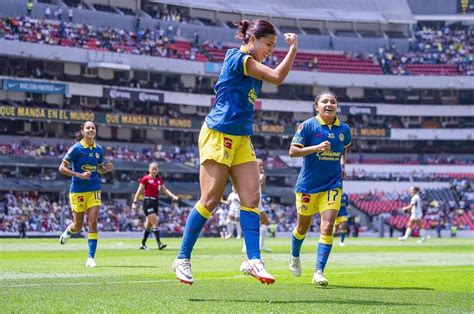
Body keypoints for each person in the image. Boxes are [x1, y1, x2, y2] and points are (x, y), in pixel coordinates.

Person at [172, 19, 297, 285]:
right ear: (251, 40)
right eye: (268, 45)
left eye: (274, 46)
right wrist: (292, 50)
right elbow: (277, 76)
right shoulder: (239, 58)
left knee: (252, 198)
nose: (270, 50)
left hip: (241, 137)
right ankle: (182, 258)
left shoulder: (252, 63)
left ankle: (253, 260)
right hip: (218, 133)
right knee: (210, 199)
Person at [288, 91, 351, 287]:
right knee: (302, 227)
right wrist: (315, 148)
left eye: (333, 101)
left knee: (327, 226)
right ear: (317, 106)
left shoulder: (345, 129)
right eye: (325, 101)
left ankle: (318, 271)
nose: (329, 104)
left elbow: (344, 148)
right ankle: (294, 255)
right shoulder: (307, 126)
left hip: (332, 184)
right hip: (308, 185)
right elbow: (292, 152)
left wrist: (343, 166)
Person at [58, 121, 113, 267]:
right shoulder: (76, 149)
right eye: (88, 128)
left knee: (93, 221)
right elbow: (61, 168)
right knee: (78, 225)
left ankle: (90, 258)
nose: (91, 130)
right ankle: (70, 231)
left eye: (93, 128)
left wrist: (105, 169)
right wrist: (79, 175)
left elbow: (99, 168)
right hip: (77, 190)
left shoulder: (99, 149)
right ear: (82, 131)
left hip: (94, 189)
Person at [132, 162, 179, 250]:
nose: (154, 171)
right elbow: (139, 191)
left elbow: (164, 190)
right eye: (152, 169)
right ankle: (159, 243)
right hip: (148, 201)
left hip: (155, 202)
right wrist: (134, 202)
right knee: (155, 222)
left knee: (149, 225)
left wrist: (172, 196)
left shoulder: (159, 180)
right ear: (149, 169)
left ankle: (142, 244)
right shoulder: (145, 179)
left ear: (158, 170)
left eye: (155, 169)